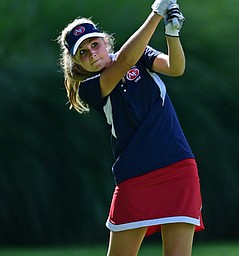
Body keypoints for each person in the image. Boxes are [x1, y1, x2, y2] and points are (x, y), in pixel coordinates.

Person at [57, 0, 204, 255]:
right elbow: (124, 61)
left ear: (105, 42)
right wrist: (156, 13)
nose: (92, 53)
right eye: (83, 52)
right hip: (135, 176)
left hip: (178, 167)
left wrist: (172, 33)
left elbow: (176, 68)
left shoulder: (141, 54)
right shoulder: (90, 87)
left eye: (94, 44)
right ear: (77, 63)